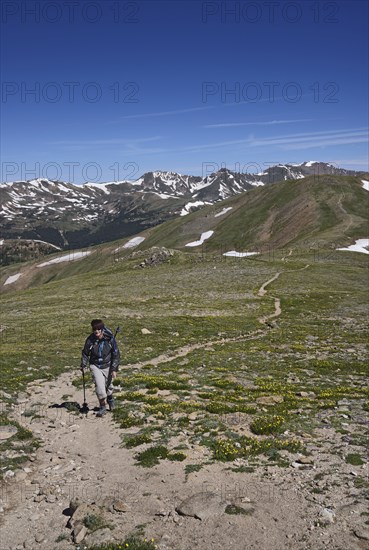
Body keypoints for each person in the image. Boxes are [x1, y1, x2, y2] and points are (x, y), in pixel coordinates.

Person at [80, 319, 120, 417]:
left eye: (98, 329)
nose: (96, 331)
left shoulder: (110, 338)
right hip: (95, 365)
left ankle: (110, 398)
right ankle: (102, 407)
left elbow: (116, 354)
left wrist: (114, 368)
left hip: (108, 365)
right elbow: (85, 353)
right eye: (94, 329)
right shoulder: (90, 340)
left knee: (109, 387)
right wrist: (83, 364)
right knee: (100, 387)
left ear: (102, 329)